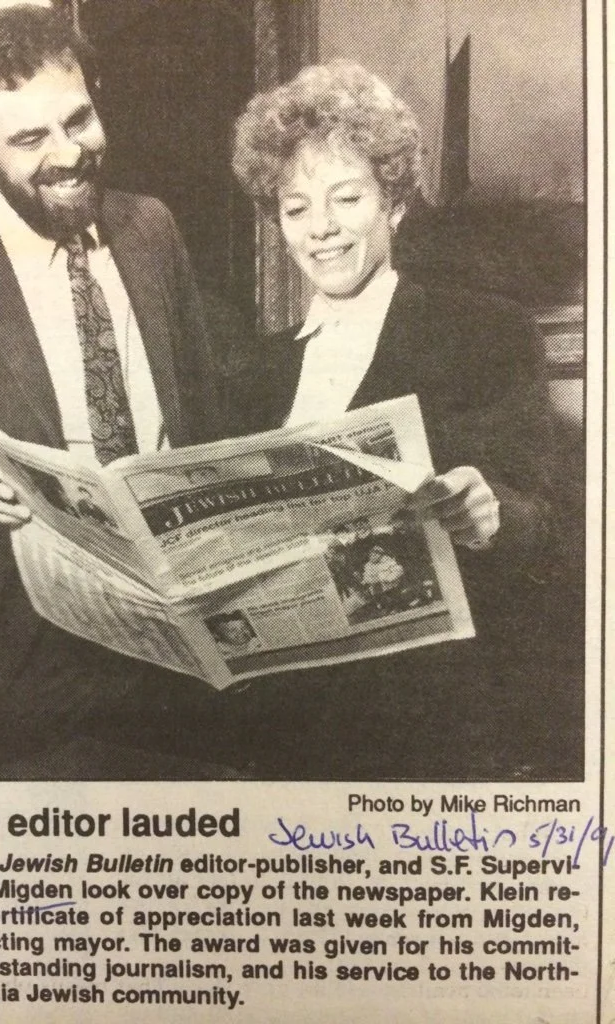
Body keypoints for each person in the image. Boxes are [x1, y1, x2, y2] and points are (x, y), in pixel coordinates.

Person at [0, 5, 222, 767]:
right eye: (29, 138)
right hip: (37, 671)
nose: (67, 155)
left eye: (78, 120)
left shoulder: (153, 228)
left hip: (185, 647)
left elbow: (201, 418)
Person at [216, 61, 571, 778]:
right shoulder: (252, 374)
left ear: (395, 204)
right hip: (273, 732)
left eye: (346, 198)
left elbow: (541, 524)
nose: (321, 229)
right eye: (296, 207)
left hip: (422, 728)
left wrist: (487, 511)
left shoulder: (484, 333)